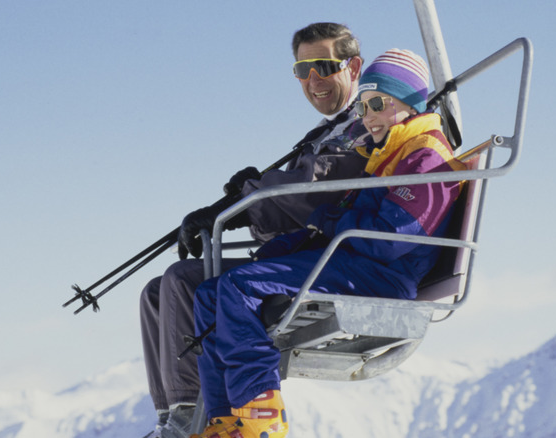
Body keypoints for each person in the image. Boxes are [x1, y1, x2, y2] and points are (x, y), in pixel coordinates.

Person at [190, 49, 466, 438]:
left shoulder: (426, 160)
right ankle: (224, 418)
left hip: (382, 275)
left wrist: (327, 220)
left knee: (240, 286)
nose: (367, 116)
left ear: (409, 103)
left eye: (376, 104)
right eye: (362, 107)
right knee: (209, 293)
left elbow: (390, 238)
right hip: (354, 262)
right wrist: (303, 237)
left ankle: (258, 413)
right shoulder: (390, 153)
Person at [139, 23, 371, 438]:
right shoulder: (327, 130)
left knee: (180, 280)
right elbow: (300, 186)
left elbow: (314, 189)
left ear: (353, 66)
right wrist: (246, 193)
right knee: (157, 293)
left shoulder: (365, 124)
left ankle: (188, 415)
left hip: (327, 258)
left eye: (322, 66)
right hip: (300, 248)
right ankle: (170, 416)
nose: (312, 81)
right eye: (302, 71)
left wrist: (240, 205)